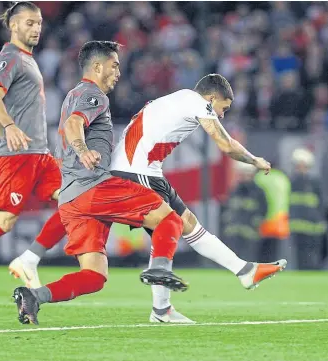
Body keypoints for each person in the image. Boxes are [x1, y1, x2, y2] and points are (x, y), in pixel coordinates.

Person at [13, 40, 188, 325]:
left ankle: (35, 297)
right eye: (114, 65)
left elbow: (70, 123)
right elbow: (73, 125)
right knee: (170, 219)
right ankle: (159, 269)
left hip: (71, 200)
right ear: (97, 67)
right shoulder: (93, 95)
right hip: (93, 186)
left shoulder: (73, 94)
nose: (118, 71)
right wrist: (83, 151)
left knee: (93, 276)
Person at [110, 73, 287, 323]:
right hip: (136, 171)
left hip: (141, 170)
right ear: (212, 97)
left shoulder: (176, 99)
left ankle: (240, 273)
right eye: (223, 108)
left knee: (186, 224)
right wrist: (255, 160)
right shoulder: (196, 102)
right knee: (169, 226)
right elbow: (225, 145)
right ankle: (165, 307)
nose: (222, 115)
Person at [0, 2, 67, 281]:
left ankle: (29, 260)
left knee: (74, 201)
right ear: (13, 25)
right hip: (20, 156)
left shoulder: (28, 58)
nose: (36, 28)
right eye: (29, 23)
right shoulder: (10, 57)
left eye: (39, 22)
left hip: (40, 154)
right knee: (3, 221)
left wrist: (5, 132)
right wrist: (8, 128)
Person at [221, 162, 267, 262]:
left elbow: (263, 210)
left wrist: (256, 222)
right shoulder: (234, 190)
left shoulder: (258, 192)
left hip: (250, 234)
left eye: (245, 174)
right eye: (241, 174)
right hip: (233, 234)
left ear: (251, 174)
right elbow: (227, 209)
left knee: (248, 260)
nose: (242, 176)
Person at [289, 148, 326, 270]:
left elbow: (321, 205)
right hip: (296, 228)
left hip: (312, 228)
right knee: (299, 257)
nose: (300, 169)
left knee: (312, 257)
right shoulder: (291, 183)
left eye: (303, 166)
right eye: (298, 166)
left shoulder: (314, 184)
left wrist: (320, 222)